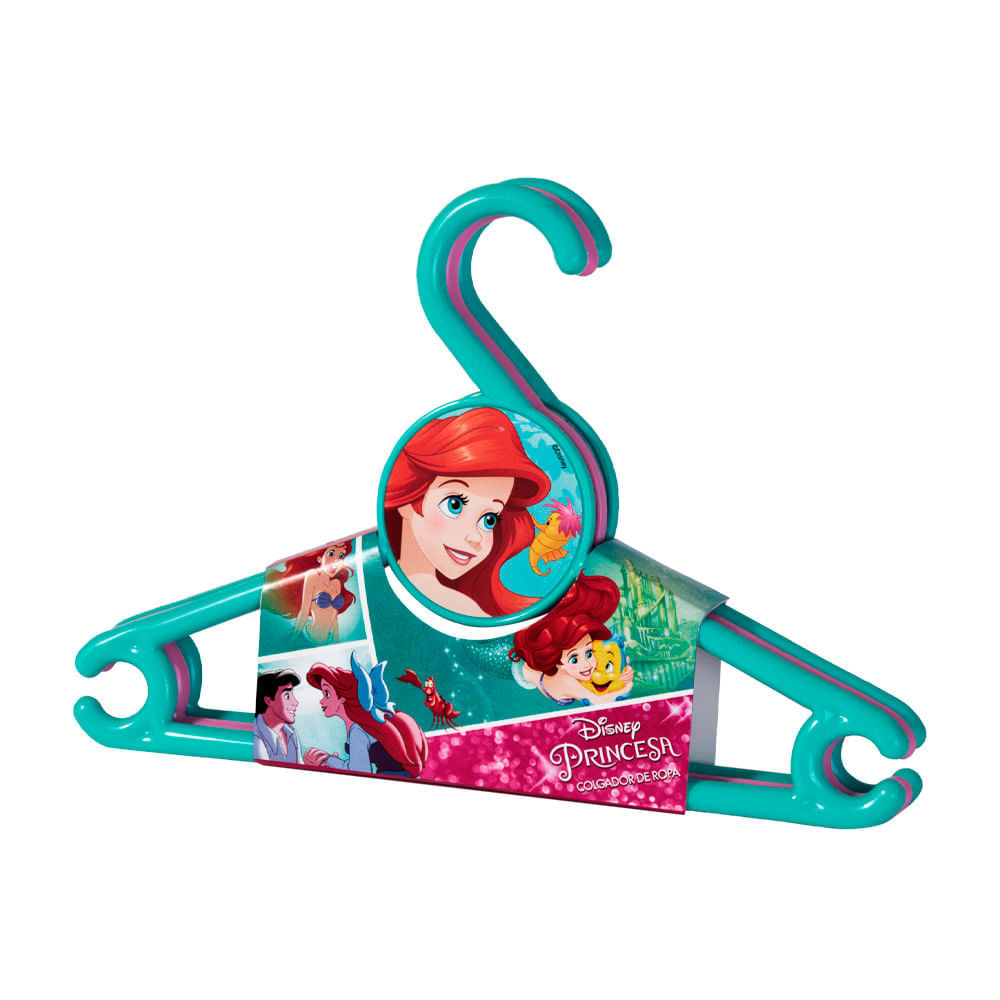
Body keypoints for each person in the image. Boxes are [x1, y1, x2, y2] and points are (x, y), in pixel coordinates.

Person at [384, 407, 551, 617]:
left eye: (489, 519)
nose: (474, 537)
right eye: (454, 505)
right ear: (408, 504)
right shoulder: (459, 606)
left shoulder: (462, 606)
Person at [509, 573, 633, 705]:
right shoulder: (566, 682)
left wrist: (621, 668)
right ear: (557, 663)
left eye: (589, 653)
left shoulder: (571, 669)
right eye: (574, 659)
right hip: (514, 666)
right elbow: (601, 701)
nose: (587, 664)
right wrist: (627, 684)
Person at [303, 651, 427, 778]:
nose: (322, 701)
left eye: (327, 693)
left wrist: (327, 760)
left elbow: (360, 772)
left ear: (343, 697)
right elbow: (357, 766)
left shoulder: (358, 730)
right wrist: (331, 762)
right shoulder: (364, 725)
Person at [262, 538, 357, 644]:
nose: (336, 561)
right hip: (307, 638)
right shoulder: (312, 576)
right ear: (320, 558)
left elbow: (334, 618)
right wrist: (293, 640)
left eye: (341, 556)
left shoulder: (336, 584)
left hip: (327, 641)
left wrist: (337, 642)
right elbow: (304, 611)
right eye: (331, 554)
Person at [254, 669, 303, 763]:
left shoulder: (291, 733)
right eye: (287, 696)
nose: (295, 702)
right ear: (268, 701)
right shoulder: (256, 736)